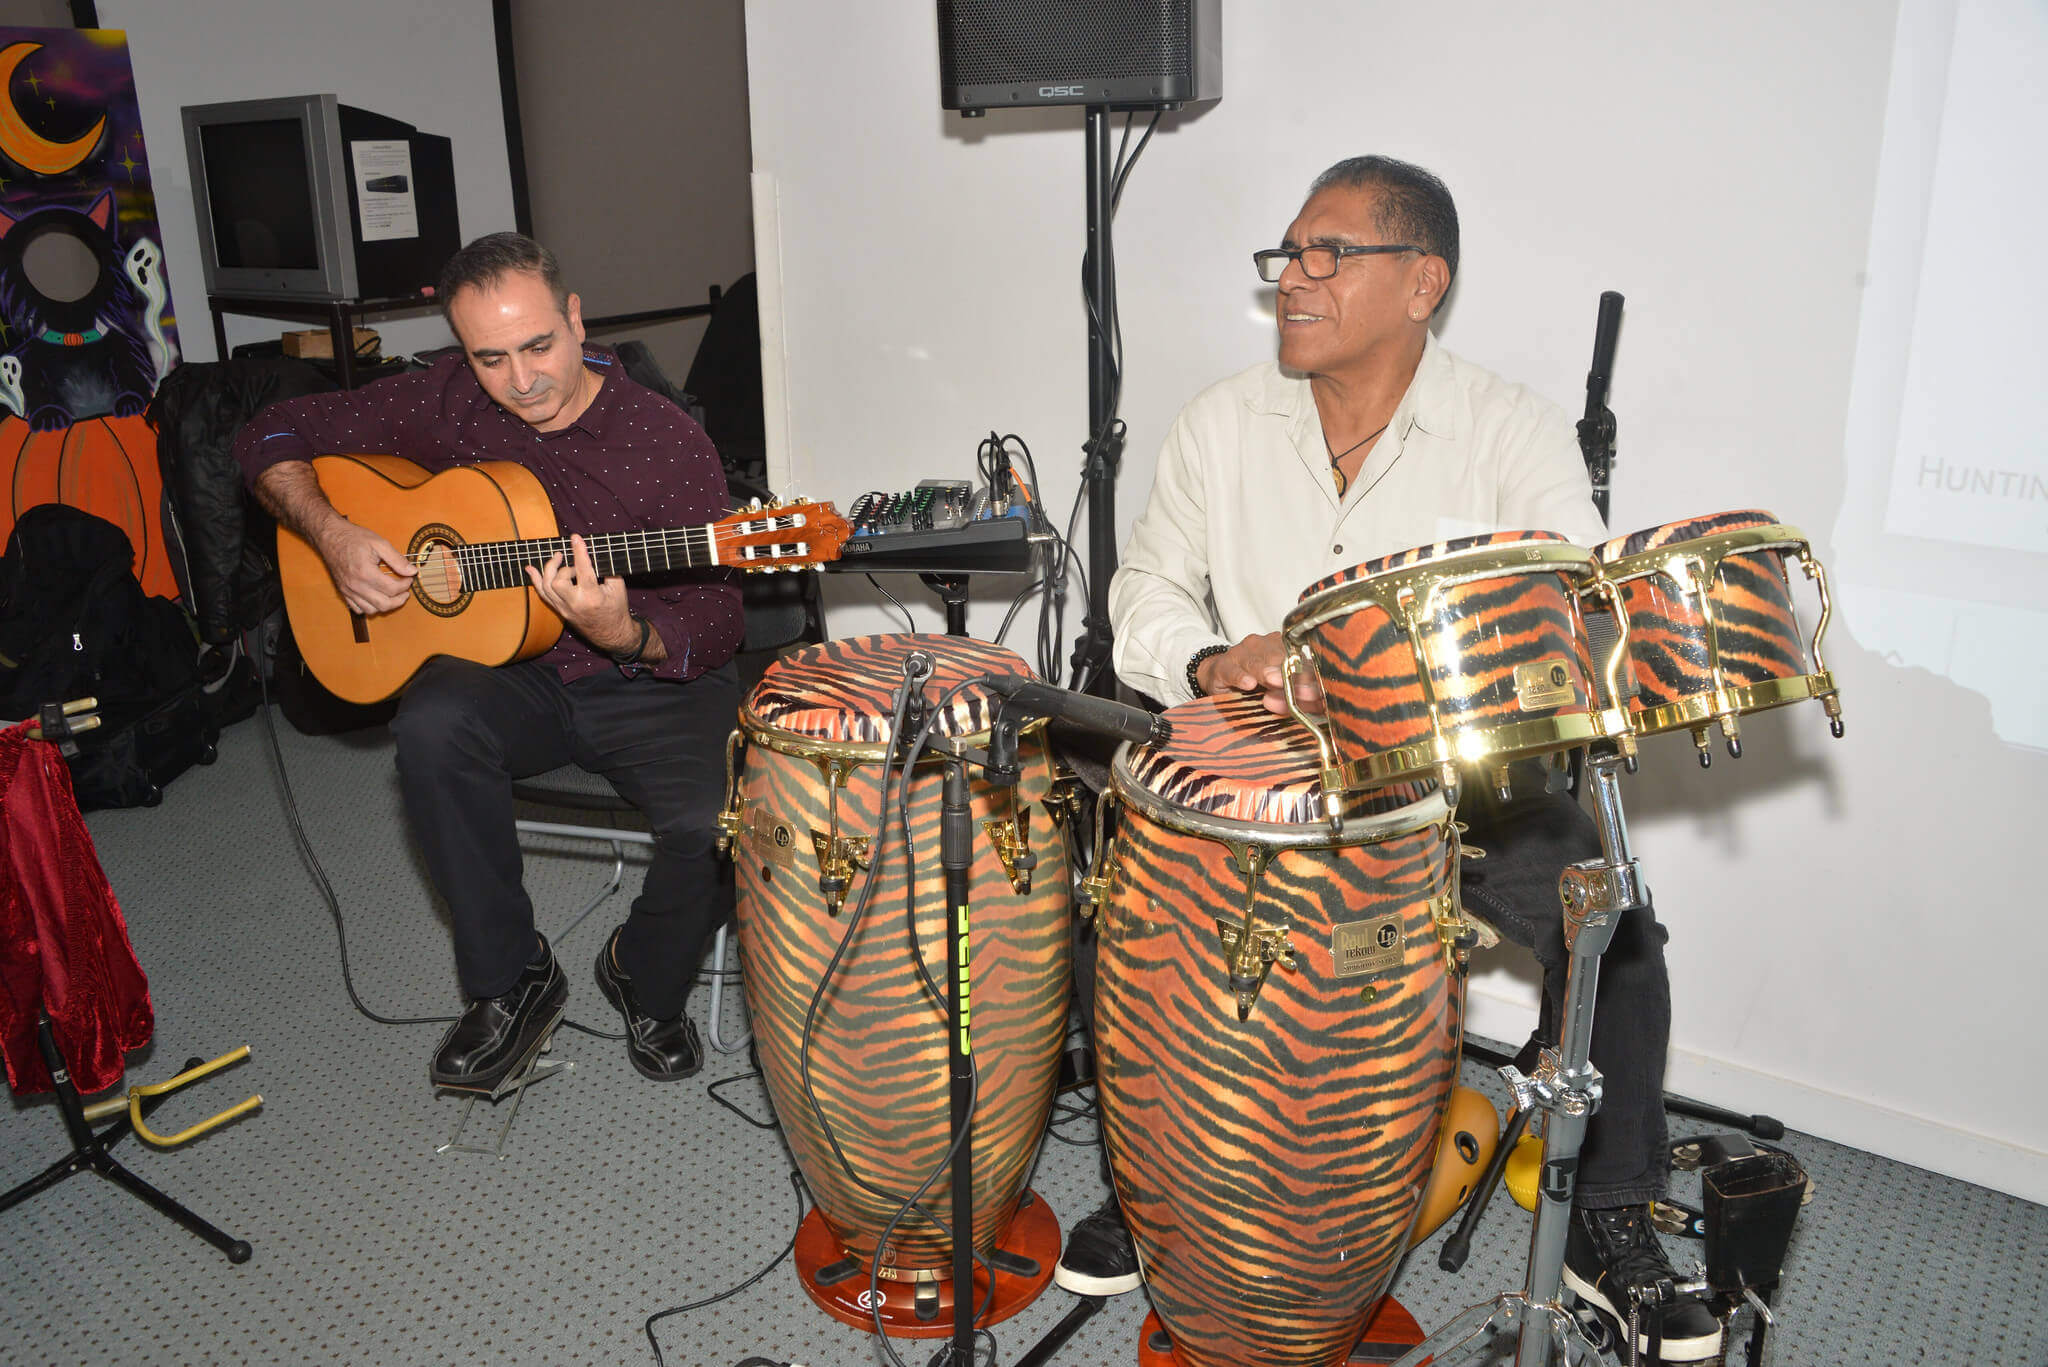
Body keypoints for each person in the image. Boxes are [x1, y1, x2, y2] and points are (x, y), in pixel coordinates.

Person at [1071, 157, 1721, 1362]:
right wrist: (1214, 658)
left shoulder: (1504, 428)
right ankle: (1163, 1188)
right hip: (1254, 794)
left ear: (1422, 282)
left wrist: (1402, 684)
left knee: (1612, 935)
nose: (1293, 281)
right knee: (1148, 932)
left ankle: (1610, 1222)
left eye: (1327, 255)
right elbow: (1143, 587)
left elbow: (1563, 607)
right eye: (1285, 257)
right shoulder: (1221, 420)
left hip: (1451, 788)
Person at [235, 232, 742, 1092]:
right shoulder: (448, 400)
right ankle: (512, 979)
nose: (522, 379)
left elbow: (718, 619)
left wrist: (626, 635)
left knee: (717, 822)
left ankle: (644, 976)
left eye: (539, 345)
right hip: (514, 666)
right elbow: (269, 431)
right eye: (491, 357)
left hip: (644, 676)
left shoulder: (666, 443)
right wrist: (333, 533)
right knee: (432, 723)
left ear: (576, 320)